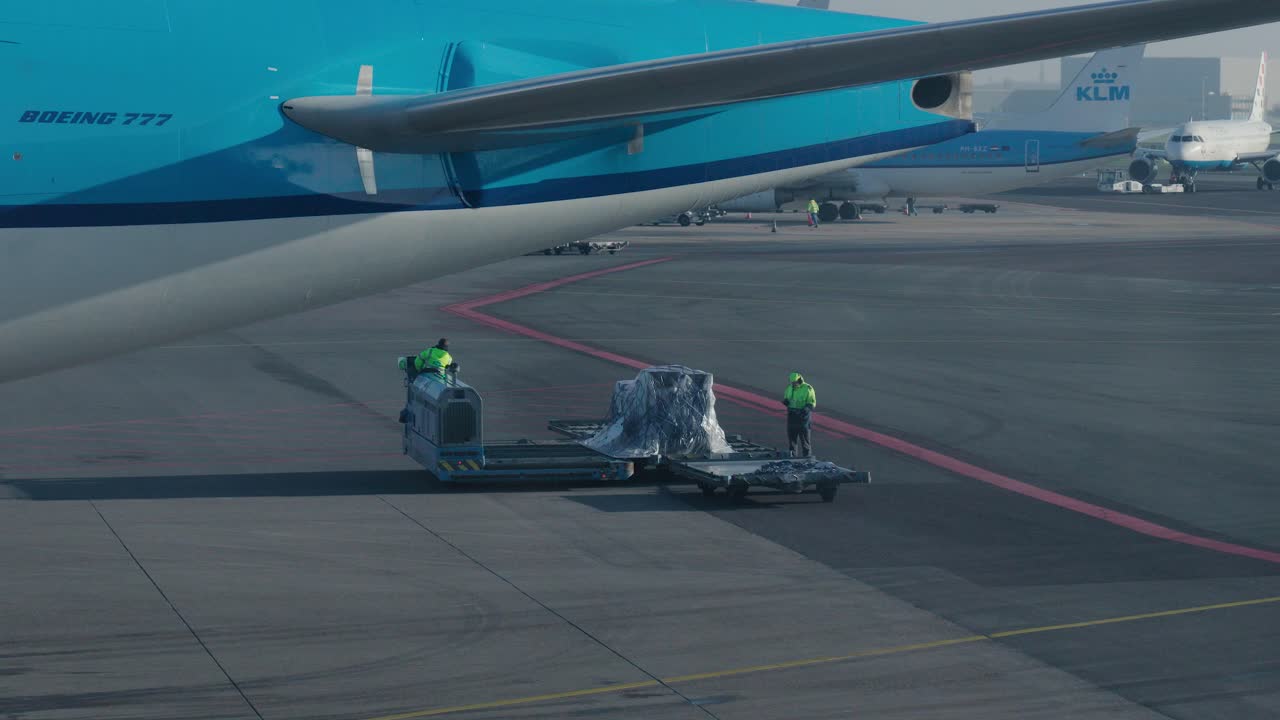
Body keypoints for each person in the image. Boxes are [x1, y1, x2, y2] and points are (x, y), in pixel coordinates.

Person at [781, 372, 816, 458]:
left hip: (803, 418)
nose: (793, 384)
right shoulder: (789, 388)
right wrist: (786, 402)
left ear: (799, 380)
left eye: (794, 382)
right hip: (792, 416)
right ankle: (792, 458)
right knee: (792, 441)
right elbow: (787, 398)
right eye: (792, 382)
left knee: (805, 442)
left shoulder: (808, 388)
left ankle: (807, 459)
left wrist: (806, 409)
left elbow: (812, 403)